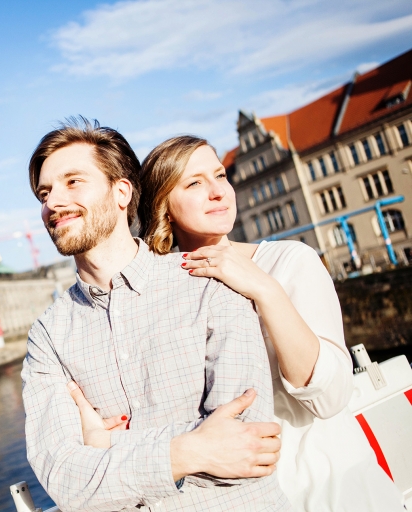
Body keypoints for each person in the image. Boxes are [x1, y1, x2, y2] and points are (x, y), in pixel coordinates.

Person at [71, 135, 404, 511]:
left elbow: (329, 398)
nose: (218, 192)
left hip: (330, 489)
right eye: (195, 183)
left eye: (220, 175)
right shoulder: (155, 298)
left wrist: (266, 290)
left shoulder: (289, 262)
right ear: (164, 207)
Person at [22, 118, 290, 512]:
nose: (52, 203)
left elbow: (246, 446)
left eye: (72, 182)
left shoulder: (208, 279)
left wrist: (106, 445)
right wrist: (188, 450)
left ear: (121, 192)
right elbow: (65, 481)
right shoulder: (48, 335)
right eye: (45, 192)